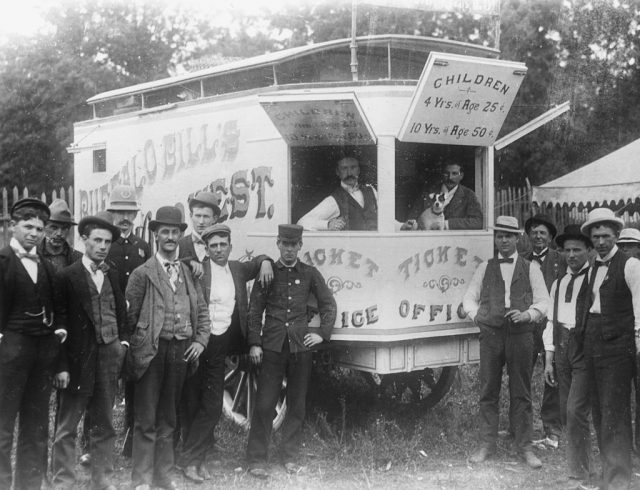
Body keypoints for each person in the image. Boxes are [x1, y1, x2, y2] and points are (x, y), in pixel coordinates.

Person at [178, 224, 273, 482]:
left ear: (230, 246)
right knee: (193, 402)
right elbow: (181, 262)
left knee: (210, 405)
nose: (219, 249)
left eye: (223, 245)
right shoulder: (200, 270)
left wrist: (265, 261)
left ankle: (191, 458)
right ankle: (192, 459)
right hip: (199, 343)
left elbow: (259, 262)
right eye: (213, 246)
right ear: (206, 250)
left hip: (220, 346)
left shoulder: (238, 269)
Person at [126, 206, 211, 490]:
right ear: (156, 235)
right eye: (165, 232)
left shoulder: (188, 272)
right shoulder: (142, 273)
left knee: (169, 418)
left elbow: (201, 309)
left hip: (180, 352)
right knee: (146, 418)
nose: (171, 237)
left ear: (180, 235)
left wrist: (199, 341)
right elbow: (130, 316)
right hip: (152, 353)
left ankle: (163, 475)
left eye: (175, 232)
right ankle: (141, 478)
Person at [246, 224, 337, 478]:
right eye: (284, 244)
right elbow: (254, 311)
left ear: (300, 246)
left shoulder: (309, 274)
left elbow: (328, 304)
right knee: (264, 404)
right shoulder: (268, 273)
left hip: (300, 348)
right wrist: (255, 342)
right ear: (277, 244)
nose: (288, 249)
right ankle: (256, 459)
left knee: (297, 404)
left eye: (293, 244)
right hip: (272, 346)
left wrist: (321, 333)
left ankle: (290, 457)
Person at [462, 216, 549, 469]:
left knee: (521, 390)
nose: (503, 240)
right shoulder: (484, 267)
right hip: (491, 335)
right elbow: (469, 298)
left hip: (521, 335)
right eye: (499, 235)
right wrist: (477, 316)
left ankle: (525, 446)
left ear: (517, 238)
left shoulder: (530, 267)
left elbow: (544, 301)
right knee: (488, 389)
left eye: (508, 236)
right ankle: (486, 445)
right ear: (495, 238)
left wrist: (528, 314)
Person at [51, 211, 129, 490]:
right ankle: (62, 480)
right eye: (97, 240)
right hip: (77, 360)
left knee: (105, 422)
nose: (103, 247)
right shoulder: (66, 276)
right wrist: (61, 365)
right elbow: (58, 325)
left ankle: (102, 479)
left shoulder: (112, 273)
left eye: (107, 242)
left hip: (108, 357)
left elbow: (121, 313)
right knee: (67, 424)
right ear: (84, 240)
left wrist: (123, 345)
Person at [0, 198, 65, 490]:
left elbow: (59, 315)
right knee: (2, 426)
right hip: (9, 356)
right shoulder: (2, 262)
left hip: (41, 357)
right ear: (12, 226)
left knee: (36, 425)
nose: (34, 233)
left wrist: (57, 357)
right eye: (27, 226)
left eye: (40, 228)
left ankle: (28, 485)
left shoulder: (48, 268)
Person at [576, 208, 640, 490]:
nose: (601, 241)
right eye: (596, 236)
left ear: (616, 235)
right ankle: (608, 474)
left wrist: (637, 341)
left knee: (615, 412)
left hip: (619, 345)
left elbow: (639, 305)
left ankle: (618, 480)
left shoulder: (630, 265)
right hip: (593, 342)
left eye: (606, 236)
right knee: (600, 411)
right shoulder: (592, 267)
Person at [542, 225, 594, 488]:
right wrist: (549, 360)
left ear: (588, 250)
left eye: (577, 250)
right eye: (567, 250)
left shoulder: (595, 279)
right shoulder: (559, 282)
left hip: (584, 348)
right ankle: (576, 468)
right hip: (562, 347)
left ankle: (580, 473)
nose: (571, 255)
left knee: (576, 410)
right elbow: (551, 321)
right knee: (565, 410)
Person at [106, 184, 150, 459]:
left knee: (134, 381)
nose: (124, 217)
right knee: (105, 384)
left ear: (135, 215)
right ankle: (94, 442)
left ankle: (130, 439)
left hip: (135, 324)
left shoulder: (143, 247)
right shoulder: (104, 243)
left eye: (129, 212)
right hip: (110, 322)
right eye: (120, 211)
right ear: (112, 213)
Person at [523, 213, 565, 447]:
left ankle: (552, 431)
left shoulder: (561, 260)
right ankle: (519, 426)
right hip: (528, 325)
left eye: (543, 233)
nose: (538, 236)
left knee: (553, 376)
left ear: (550, 237)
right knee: (521, 375)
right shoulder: (521, 260)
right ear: (528, 236)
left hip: (552, 325)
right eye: (534, 232)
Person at [297, 156, 377, 231]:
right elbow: (302, 222)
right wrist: (328, 224)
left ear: (358, 170)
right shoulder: (333, 200)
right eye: (344, 168)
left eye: (353, 167)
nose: (349, 173)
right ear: (337, 172)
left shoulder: (371, 191)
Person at [402, 159, 483, 230]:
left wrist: (446, 224)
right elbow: (411, 218)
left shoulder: (469, 195)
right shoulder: (427, 193)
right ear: (442, 174)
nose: (450, 177)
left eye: (454, 173)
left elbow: (477, 222)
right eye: (446, 173)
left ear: (461, 176)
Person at [617, 228, 640, 454]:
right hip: (621, 341)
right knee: (620, 393)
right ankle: (624, 444)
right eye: (622, 245)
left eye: (630, 244)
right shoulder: (616, 271)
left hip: (638, 339)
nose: (625, 249)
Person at [178, 190, 220, 276]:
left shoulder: (219, 246)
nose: (201, 222)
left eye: (206, 216)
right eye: (198, 216)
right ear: (191, 216)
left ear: (214, 219)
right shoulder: (179, 245)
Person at [37, 198, 82, 273]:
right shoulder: (33, 254)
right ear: (44, 227)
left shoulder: (78, 258)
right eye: (54, 227)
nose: (59, 233)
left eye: (64, 228)